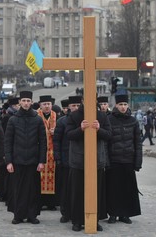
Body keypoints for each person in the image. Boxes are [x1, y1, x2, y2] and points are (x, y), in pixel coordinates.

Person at [65, 96, 111, 232]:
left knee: (96, 192)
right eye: (87, 99)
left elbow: (109, 134)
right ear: (83, 101)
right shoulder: (74, 116)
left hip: (96, 160)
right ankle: (77, 221)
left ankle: (94, 221)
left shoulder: (102, 116)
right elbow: (68, 135)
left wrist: (99, 129)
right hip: (78, 161)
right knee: (77, 192)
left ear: (95, 101)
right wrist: (80, 129)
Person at [4, 91, 47, 224]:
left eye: (28, 101)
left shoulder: (37, 119)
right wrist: (9, 161)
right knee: (18, 189)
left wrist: (41, 161)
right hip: (17, 161)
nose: (26, 103)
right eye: (24, 101)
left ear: (32, 102)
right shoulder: (13, 119)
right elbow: (8, 142)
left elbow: (43, 142)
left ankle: (32, 215)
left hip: (33, 161)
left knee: (33, 190)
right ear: (20, 103)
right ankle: (18, 215)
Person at [106, 94, 142, 225]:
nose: (123, 107)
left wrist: (138, 162)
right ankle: (113, 214)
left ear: (128, 106)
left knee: (128, 189)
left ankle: (125, 214)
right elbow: (106, 143)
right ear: (116, 105)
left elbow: (138, 143)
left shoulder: (133, 121)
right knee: (113, 189)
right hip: (114, 160)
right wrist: (106, 161)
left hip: (128, 159)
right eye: (120, 104)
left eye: (125, 104)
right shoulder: (109, 119)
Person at [52, 96, 81, 224]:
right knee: (65, 189)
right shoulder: (62, 121)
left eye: (77, 106)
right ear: (68, 107)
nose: (75, 108)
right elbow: (56, 141)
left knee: (78, 189)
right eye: (73, 106)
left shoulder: (84, 121)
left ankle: (77, 212)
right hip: (65, 160)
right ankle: (65, 213)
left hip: (79, 160)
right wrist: (57, 158)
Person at [37, 95, 59, 211]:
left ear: (51, 105)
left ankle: (51, 202)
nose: (46, 106)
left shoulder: (57, 116)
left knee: (52, 177)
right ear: (40, 105)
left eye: (48, 104)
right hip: (40, 151)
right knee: (39, 177)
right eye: (44, 104)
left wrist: (56, 132)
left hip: (53, 152)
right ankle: (39, 202)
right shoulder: (36, 116)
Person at [0, 97, 19, 203]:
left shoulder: (12, 115)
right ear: (14, 106)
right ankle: (5, 195)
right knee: (6, 174)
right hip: (7, 148)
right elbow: (5, 135)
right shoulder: (8, 117)